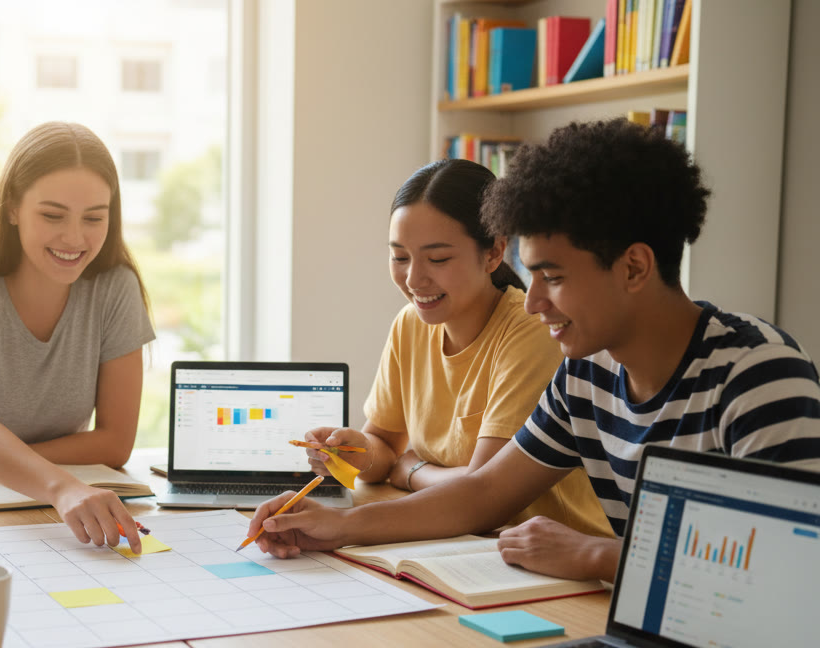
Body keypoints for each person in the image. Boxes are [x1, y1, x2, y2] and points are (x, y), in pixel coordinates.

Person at [247, 119, 820, 582]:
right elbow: (482, 494)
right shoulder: (585, 378)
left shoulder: (758, 376)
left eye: (551, 276)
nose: (532, 301)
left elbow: (786, 571)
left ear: (634, 267)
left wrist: (596, 556)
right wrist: (335, 526)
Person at [297, 159, 610, 539]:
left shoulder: (530, 330)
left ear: (494, 252)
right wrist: (357, 451)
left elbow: (483, 489)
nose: (413, 279)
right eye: (399, 257)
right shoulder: (410, 324)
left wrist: (411, 471)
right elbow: (385, 450)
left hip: (544, 549)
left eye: (438, 259)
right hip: (460, 539)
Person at [0, 122, 155, 552]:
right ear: (12, 208)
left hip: (57, 508)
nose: (75, 238)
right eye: (52, 215)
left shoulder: (115, 288)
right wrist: (62, 487)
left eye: (94, 218)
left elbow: (115, 442)